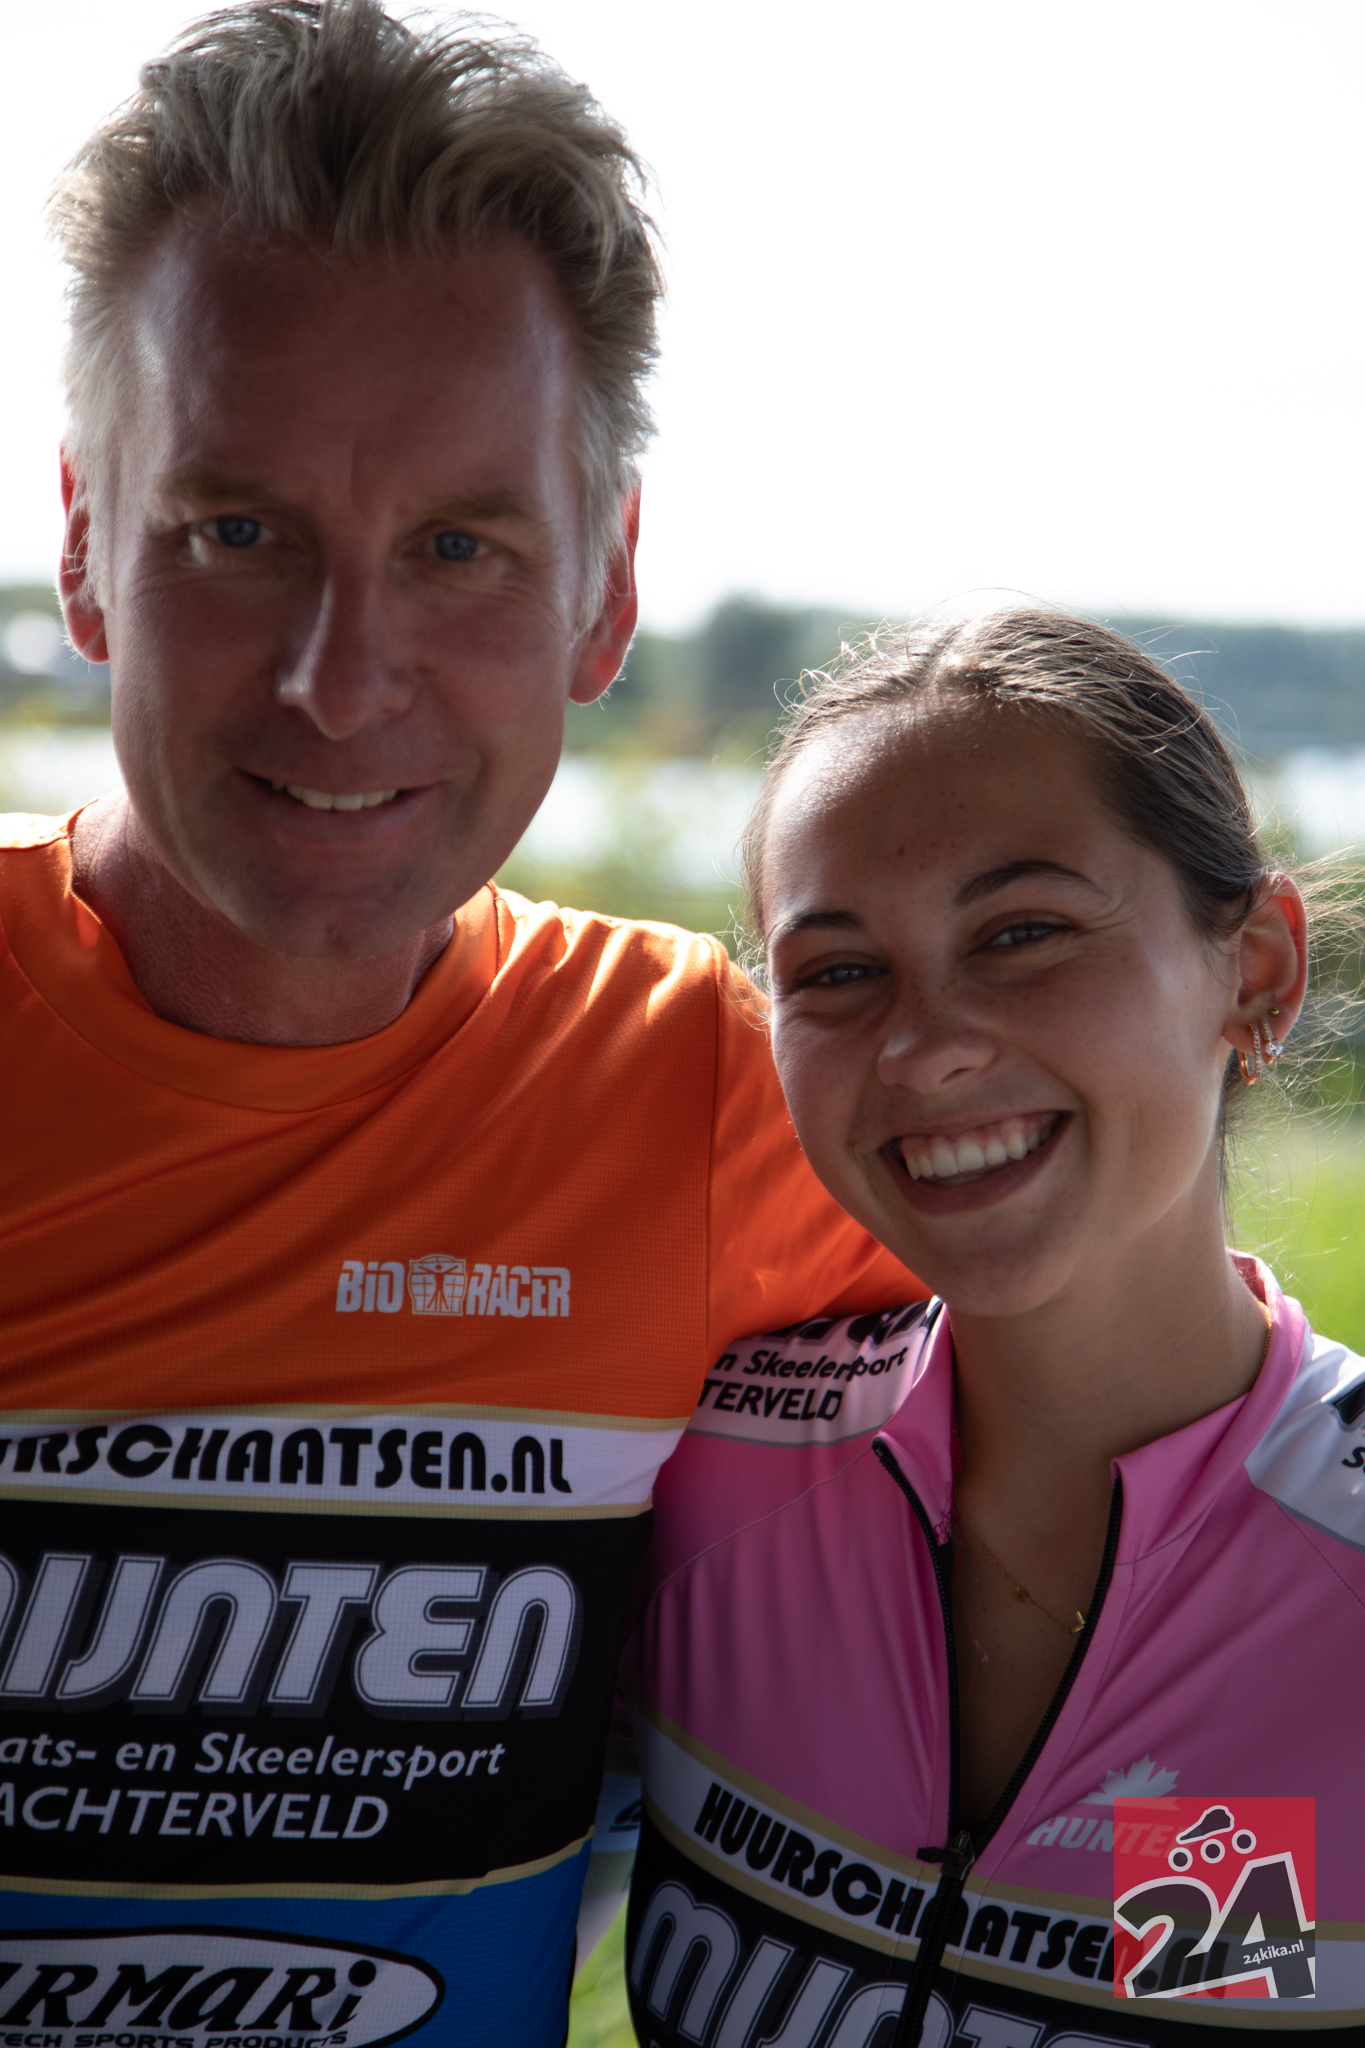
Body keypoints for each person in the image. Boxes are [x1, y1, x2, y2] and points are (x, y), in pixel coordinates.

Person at [0, 4, 921, 2038]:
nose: (343, 683)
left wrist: (1239, 1948)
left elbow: (1201, 1537)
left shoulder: (712, 1092)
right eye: (239, 533)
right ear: (81, 545)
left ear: (604, 584)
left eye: (457, 547)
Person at [621, 609, 1365, 2046]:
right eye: (837, 972)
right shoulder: (693, 1466)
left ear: (1256, 971)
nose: (924, 1046)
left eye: (1023, 935)